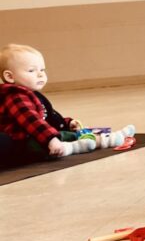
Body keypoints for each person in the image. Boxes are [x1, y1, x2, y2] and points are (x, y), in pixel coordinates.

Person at [0, 44, 135, 168]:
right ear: (10, 77)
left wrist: (67, 122)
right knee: (65, 136)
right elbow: (33, 121)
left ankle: (101, 138)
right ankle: (105, 141)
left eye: (42, 70)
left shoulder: (32, 94)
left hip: (38, 136)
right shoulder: (16, 96)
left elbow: (49, 116)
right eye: (31, 71)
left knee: (69, 132)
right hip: (25, 143)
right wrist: (51, 139)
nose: (40, 74)